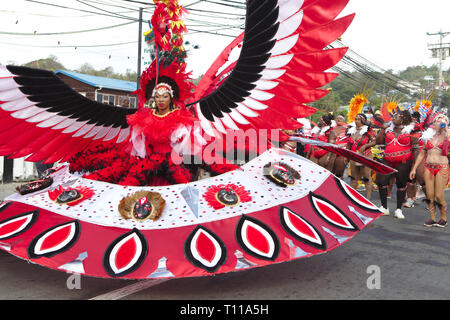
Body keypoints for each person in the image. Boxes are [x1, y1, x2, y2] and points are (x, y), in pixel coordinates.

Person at [375, 109, 417, 219]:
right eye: (393, 117)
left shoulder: (411, 131)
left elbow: (415, 149)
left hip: (403, 162)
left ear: (403, 118)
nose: (392, 119)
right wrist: (382, 130)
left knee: (401, 184)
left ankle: (398, 209)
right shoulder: (388, 129)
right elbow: (378, 142)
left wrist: (414, 167)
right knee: (381, 181)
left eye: (395, 117)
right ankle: (384, 207)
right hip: (387, 160)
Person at [410, 113, 449, 227]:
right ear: (434, 123)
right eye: (439, 121)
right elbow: (422, 154)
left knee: (439, 195)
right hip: (428, 167)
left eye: (444, 121)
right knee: (430, 195)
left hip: (442, 168)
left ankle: (443, 218)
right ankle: (432, 218)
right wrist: (414, 169)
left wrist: (446, 129)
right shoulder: (428, 136)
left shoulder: (447, 136)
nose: (441, 123)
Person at [346, 113, 376, 199]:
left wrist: (365, 146)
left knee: (366, 178)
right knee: (353, 178)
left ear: (363, 121)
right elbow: (348, 144)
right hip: (353, 156)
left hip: (365, 156)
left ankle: (368, 198)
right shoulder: (351, 130)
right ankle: (352, 198)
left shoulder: (368, 130)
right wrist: (346, 156)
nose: (356, 121)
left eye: (358, 119)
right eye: (355, 119)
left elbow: (374, 142)